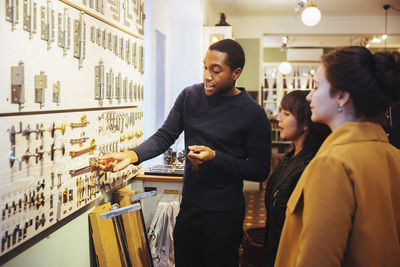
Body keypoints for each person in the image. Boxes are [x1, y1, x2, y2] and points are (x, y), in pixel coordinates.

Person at [97, 39, 271, 266]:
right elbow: (164, 136)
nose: (207, 76)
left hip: (225, 213)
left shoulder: (253, 113)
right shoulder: (190, 96)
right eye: (205, 67)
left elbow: (260, 169)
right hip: (190, 207)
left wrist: (216, 157)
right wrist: (131, 156)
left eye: (216, 70)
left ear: (236, 73)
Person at [275, 46, 400, 267]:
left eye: (316, 86)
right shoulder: (394, 156)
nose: (310, 95)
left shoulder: (332, 163)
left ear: (341, 96)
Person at [263, 90, 330, 267]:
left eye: (286, 114)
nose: (278, 118)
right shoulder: (290, 156)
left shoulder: (311, 165)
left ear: (306, 123)